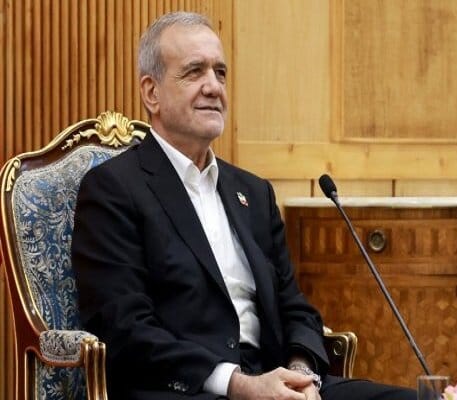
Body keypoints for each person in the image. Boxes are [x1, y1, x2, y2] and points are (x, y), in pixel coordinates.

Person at [72, 11, 417, 400]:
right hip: (188, 389)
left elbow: (296, 308)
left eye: (220, 73)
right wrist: (238, 384)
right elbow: (125, 328)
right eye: (194, 72)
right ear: (151, 92)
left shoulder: (253, 192)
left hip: (276, 382)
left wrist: (300, 374)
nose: (213, 87)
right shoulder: (114, 189)